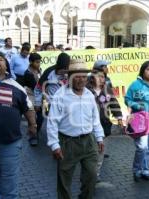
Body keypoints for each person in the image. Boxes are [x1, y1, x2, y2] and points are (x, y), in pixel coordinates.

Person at [47, 59, 105, 199]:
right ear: (69, 77)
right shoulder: (60, 95)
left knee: (91, 176)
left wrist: (99, 137)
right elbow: (52, 121)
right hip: (67, 143)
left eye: (84, 76)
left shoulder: (89, 95)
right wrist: (55, 145)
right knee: (64, 179)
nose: (81, 80)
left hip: (89, 141)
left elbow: (94, 118)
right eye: (77, 76)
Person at [0, 52, 37, 198]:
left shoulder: (17, 86)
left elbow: (28, 108)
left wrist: (32, 125)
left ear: (6, 65)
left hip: (9, 142)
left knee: (9, 182)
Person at [86, 69, 123, 181]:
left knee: (100, 151)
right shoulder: (86, 90)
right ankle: (88, 172)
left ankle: (95, 174)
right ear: (92, 78)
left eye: (103, 77)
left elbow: (114, 103)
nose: (102, 79)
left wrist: (119, 117)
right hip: (88, 126)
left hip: (104, 124)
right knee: (90, 151)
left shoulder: (107, 90)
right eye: (99, 77)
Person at [22, 53, 42, 146]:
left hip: (40, 96)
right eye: (37, 62)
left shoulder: (39, 70)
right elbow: (36, 87)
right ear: (31, 62)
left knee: (41, 117)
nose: (39, 64)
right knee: (32, 118)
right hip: (31, 96)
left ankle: (35, 131)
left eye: (39, 62)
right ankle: (33, 136)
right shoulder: (28, 73)